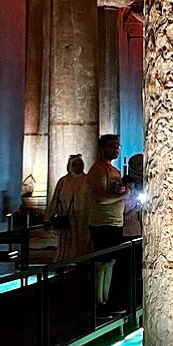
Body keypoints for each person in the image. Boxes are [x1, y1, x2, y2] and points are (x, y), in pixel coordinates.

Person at [86, 134, 127, 319]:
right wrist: (124, 195)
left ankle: (105, 300)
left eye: (118, 146)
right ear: (102, 148)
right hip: (103, 222)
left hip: (114, 222)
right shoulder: (98, 170)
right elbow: (100, 198)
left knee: (109, 263)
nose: (116, 149)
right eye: (112, 146)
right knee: (101, 264)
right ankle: (97, 303)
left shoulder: (112, 170)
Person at [46, 154, 90, 262]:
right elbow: (55, 200)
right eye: (75, 164)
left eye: (80, 164)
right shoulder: (63, 181)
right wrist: (47, 218)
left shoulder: (88, 180)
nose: (78, 167)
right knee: (66, 241)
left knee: (82, 241)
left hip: (83, 219)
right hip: (67, 218)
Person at [121, 153, 145, 242]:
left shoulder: (148, 180)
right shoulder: (126, 182)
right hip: (130, 227)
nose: (142, 167)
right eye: (139, 164)